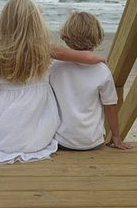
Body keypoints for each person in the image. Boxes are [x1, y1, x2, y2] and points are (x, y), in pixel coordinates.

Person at [0, 0, 104, 164]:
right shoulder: (45, 51)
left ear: (3, 24)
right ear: (37, 24)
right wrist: (102, 60)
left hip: (1, 123)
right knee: (41, 135)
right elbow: (86, 56)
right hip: (37, 129)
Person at [50, 11, 132, 151]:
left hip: (61, 141)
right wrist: (116, 137)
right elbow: (110, 107)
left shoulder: (55, 67)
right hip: (92, 141)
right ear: (98, 37)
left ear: (65, 37)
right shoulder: (102, 71)